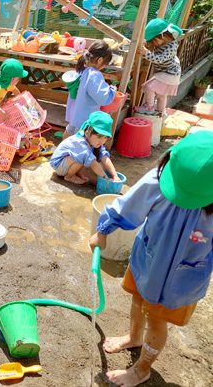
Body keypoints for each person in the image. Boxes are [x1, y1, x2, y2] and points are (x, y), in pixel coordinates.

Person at [89, 131, 213, 387]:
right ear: (169, 161)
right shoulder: (159, 178)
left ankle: (142, 368)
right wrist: (102, 230)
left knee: (157, 322)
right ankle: (134, 337)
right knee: (137, 300)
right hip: (147, 260)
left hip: (181, 279)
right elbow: (128, 204)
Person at [50, 111, 121, 185]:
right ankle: (69, 176)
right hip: (58, 164)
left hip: (67, 162)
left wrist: (115, 176)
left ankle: (77, 173)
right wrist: (106, 179)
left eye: (105, 137)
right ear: (87, 133)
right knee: (84, 157)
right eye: (99, 137)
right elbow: (93, 163)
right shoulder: (80, 142)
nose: (101, 141)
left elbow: (105, 157)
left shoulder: (95, 143)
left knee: (87, 158)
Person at [63, 40, 116, 139]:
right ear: (99, 60)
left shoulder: (80, 68)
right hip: (85, 114)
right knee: (81, 138)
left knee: (70, 130)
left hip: (75, 111)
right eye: (105, 64)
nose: (104, 67)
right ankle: (74, 154)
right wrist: (112, 90)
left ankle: (62, 151)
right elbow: (101, 96)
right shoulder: (94, 75)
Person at [135, 18, 183, 116]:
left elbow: (159, 59)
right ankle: (161, 113)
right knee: (161, 95)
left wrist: (146, 53)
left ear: (163, 36)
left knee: (149, 87)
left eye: (153, 41)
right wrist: (146, 45)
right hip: (165, 73)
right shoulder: (162, 41)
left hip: (170, 73)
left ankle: (149, 107)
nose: (152, 44)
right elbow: (152, 44)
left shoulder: (171, 47)